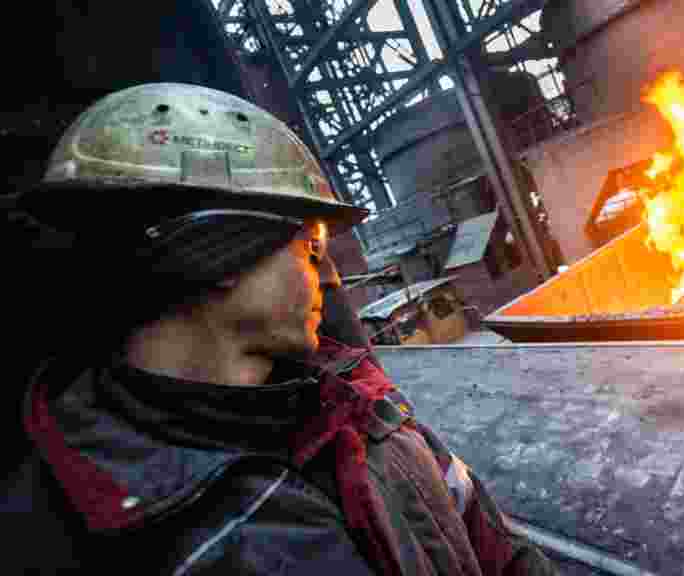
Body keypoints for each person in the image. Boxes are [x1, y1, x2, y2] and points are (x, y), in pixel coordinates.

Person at [3, 83, 557, 576]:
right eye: (312, 245)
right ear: (217, 254)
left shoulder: (362, 407)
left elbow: (500, 554)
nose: (327, 275)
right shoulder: (70, 535)